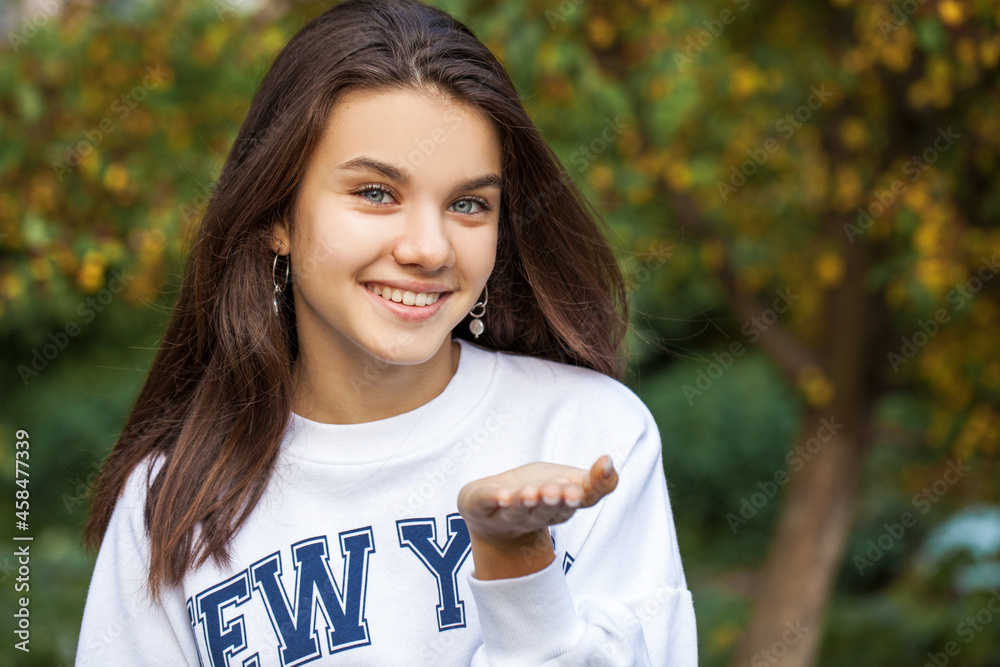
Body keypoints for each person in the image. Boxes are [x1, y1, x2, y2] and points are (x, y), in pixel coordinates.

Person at [76, 0, 697, 664]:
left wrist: (517, 568)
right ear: (276, 216)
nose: (429, 248)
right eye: (376, 192)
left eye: (468, 204)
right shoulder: (172, 498)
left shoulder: (589, 434)